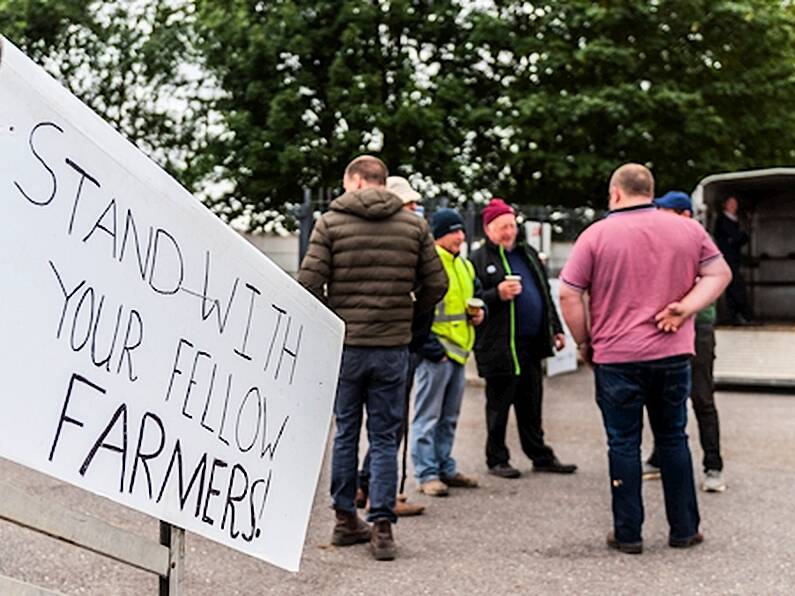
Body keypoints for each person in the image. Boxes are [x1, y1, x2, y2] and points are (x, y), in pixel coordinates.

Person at [558, 164, 732, 555]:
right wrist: (684, 309)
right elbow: (720, 275)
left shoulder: (596, 235)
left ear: (615, 194)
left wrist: (585, 341)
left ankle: (629, 534)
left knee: (623, 443)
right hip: (672, 354)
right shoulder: (687, 229)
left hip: (617, 356)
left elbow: (569, 295)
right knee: (673, 438)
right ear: (650, 191)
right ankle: (684, 529)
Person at [298, 156, 447, 561]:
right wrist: (407, 312)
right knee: (384, 436)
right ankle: (382, 527)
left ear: (357, 182)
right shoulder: (414, 226)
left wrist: (334, 315)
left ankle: (345, 519)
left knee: (347, 431)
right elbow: (437, 283)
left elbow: (308, 282)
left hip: (346, 347)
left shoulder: (329, 223)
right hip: (392, 347)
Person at [471, 198, 577, 479]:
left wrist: (555, 327)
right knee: (499, 404)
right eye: (502, 227)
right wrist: (497, 295)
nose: (508, 232)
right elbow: (471, 301)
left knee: (532, 403)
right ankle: (497, 458)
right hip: (500, 345)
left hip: (531, 344)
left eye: (511, 226)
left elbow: (544, 293)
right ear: (488, 229)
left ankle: (539, 454)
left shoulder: (527, 253)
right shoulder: (480, 259)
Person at [643, 191, 726, 493]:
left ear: (684, 215)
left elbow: (712, 283)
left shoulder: (700, 241)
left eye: (665, 211)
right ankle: (659, 457)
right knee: (662, 395)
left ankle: (713, 466)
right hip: (668, 325)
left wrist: (685, 310)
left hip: (697, 326)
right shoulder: (664, 242)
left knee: (701, 397)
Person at [356, 174, 428, 517]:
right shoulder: (406, 240)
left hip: (380, 341)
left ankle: (364, 485)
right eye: (411, 204)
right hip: (399, 342)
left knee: (376, 425)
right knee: (390, 426)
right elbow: (431, 283)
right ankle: (383, 495)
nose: (416, 209)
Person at [412, 208, 484, 496]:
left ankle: (445, 466)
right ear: (440, 235)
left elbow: (475, 294)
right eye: (454, 231)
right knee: (427, 416)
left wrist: (482, 313)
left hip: (459, 350)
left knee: (449, 416)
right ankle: (427, 473)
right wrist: (431, 348)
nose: (461, 236)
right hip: (437, 351)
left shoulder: (464, 265)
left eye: (461, 230)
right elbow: (418, 309)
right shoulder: (430, 264)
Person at [712, 195, 752, 325]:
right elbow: (735, 238)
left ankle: (741, 315)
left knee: (736, 285)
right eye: (731, 203)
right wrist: (740, 237)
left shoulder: (735, 220)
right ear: (725, 205)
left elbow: (739, 238)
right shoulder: (723, 220)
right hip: (727, 258)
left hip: (734, 257)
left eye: (735, 203)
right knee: (734, 286)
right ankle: (737, 315)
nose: (734, 206)